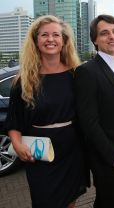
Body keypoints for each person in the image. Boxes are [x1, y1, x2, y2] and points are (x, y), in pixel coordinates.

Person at [5, 15, 87, 208]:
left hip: (72, 150)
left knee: (70, 201)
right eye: (44, 35)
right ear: (35, 40)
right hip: (40, 153)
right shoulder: (23, 81)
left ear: (64, 41)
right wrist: (17, 144)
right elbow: (13, 121)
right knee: (44, 201)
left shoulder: (77, 74)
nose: (50, 39)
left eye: (56, 35)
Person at [74, 15, 114, 208]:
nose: (112, 36)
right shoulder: (87, 72)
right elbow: (88, 121)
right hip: (107, 153)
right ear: (95, 40)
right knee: (107, 202)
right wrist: (113, 156)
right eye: (104, 33)